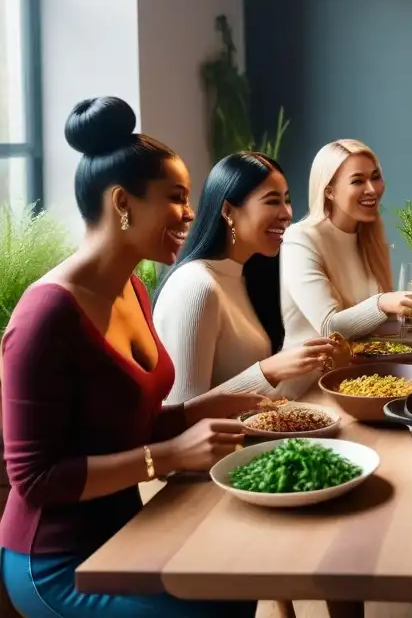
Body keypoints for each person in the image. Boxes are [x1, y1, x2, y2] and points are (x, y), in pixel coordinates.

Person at [0, 96, 257, 617]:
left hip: (122, 531)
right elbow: (34, 478)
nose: (190, 213)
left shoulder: (134, 289)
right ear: (122, 203)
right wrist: (171, 455)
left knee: (235, 582)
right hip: (54, 562)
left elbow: (118, 422)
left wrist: (194, 415)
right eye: (176, 197)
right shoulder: (45, 316)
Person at [154, 152, 343, 405]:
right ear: (228, 210)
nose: (286, 213)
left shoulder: (244, 276)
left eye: (287, 200)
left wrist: (312, 362)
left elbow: (257, 396)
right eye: (272, 201)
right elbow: (180, 414)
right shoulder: (196, 285)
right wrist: (268, 371)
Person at [279, 140, 412, 360]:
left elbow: (372, 326)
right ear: (329, 191)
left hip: (359, 375)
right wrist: (383, 302)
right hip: (307, 385)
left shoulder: (369, 237)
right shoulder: (300, 239)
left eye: (375, 177)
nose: (372, 189)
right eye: (357, 181)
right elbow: (329, 327)